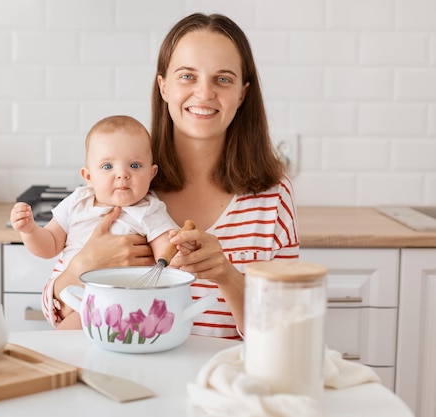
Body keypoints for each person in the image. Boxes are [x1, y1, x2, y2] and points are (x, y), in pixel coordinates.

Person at [41, 13, 300, 339]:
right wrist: (82, 266)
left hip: (223, 384)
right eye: (187, 76)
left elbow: (285, 332)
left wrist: (228, 276)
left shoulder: (272, 197)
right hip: (128, 382)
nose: (204, 93)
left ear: (242, 94)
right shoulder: (125, 180)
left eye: (223, 79)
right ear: (163, 86)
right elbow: (57, 315)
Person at [10, 115, 184, 329]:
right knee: (68, 338)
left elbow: (167, 256)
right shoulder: (77, 202)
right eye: (108, 166)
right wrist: (29, 231)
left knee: (76, 336)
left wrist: (179, 247)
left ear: (151, 173)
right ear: (88, 176)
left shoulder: (149, 210)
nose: (122, 174)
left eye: (135, 165)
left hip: (123, 304)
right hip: (74, 298)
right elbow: (49, 245)